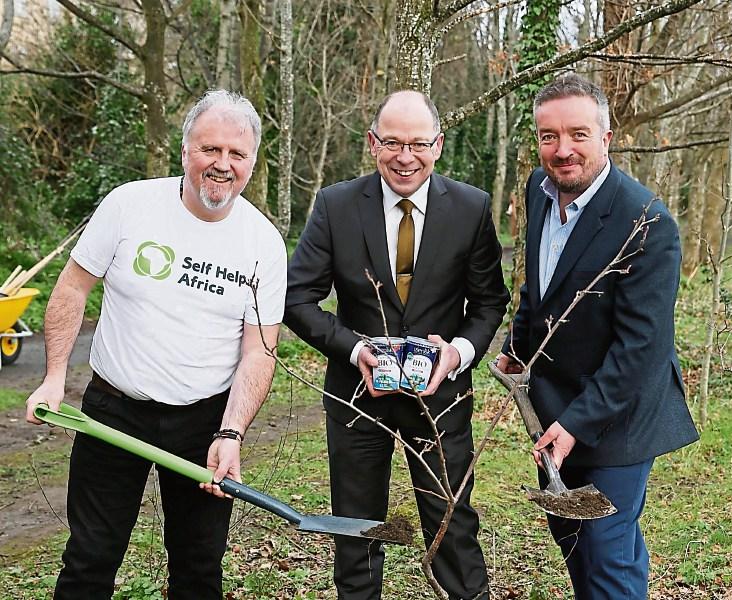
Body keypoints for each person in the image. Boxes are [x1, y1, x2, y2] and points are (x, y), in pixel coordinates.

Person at [25, 89, 287, 600]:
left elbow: (259, 350)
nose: (222, 165)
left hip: (204, 422)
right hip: (113, 412)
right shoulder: (129, 205)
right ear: (185, 148)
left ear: (253, 162)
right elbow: (72, 288)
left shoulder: (263, 243)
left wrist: (231, 433)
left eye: (237, 154)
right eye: (210, 149)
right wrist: (54, 377)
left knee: (197, 570)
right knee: (89, 561)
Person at [284, 90, 509, 600]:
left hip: (442, 400)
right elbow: (296, 298)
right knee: (356, 530)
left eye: (417, 144)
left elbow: (491, 303)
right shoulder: (337, 205)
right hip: (357, 398)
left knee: (452, 524)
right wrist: (355, 349)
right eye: (392, 143)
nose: (405, 157)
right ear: (372, 144)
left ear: (439, 145)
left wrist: (458, 353)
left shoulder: (471, 208)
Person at [496, 74, 699, 599]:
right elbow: (539, 290)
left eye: (578, 134)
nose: (562, 150)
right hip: (552, 406)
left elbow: (642, 349)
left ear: (606, 138)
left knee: (606, 551)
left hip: (620, 417)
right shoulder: (540, 196)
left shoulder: (647, 223)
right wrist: (518, 348)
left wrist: (577, 423)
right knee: (573, 540)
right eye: (548, 136)